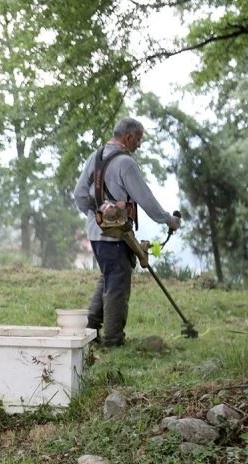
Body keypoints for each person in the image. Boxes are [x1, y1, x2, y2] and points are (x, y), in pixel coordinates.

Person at [74, 117, 180, 347]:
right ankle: (113, 340)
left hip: (95, 234)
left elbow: (80, 194)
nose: (139, 145)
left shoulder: (95, 156)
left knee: (109, 277)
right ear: (129, 137)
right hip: (116, 236)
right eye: (138, 139)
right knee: (117, 285)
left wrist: (97, 216)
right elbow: (145, 199)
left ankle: (90, 329)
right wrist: (168, 220)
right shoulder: (126, 163)